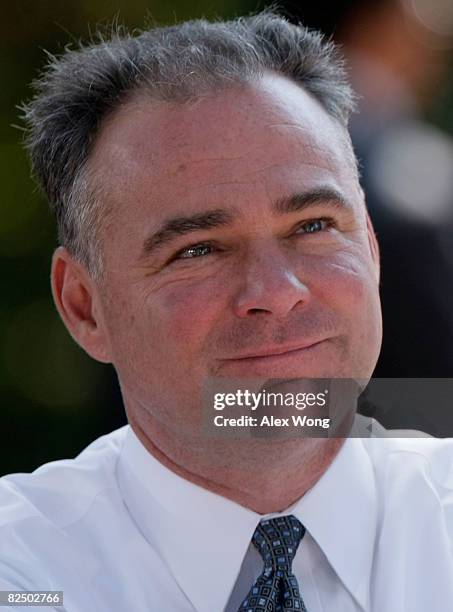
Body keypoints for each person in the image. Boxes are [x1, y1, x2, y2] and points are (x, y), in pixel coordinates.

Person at [1, 11, 452, 612]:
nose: (276, 289)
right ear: (84, 307)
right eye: (199, 249)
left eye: (313, 225)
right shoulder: (27, 574)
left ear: (369, 245)